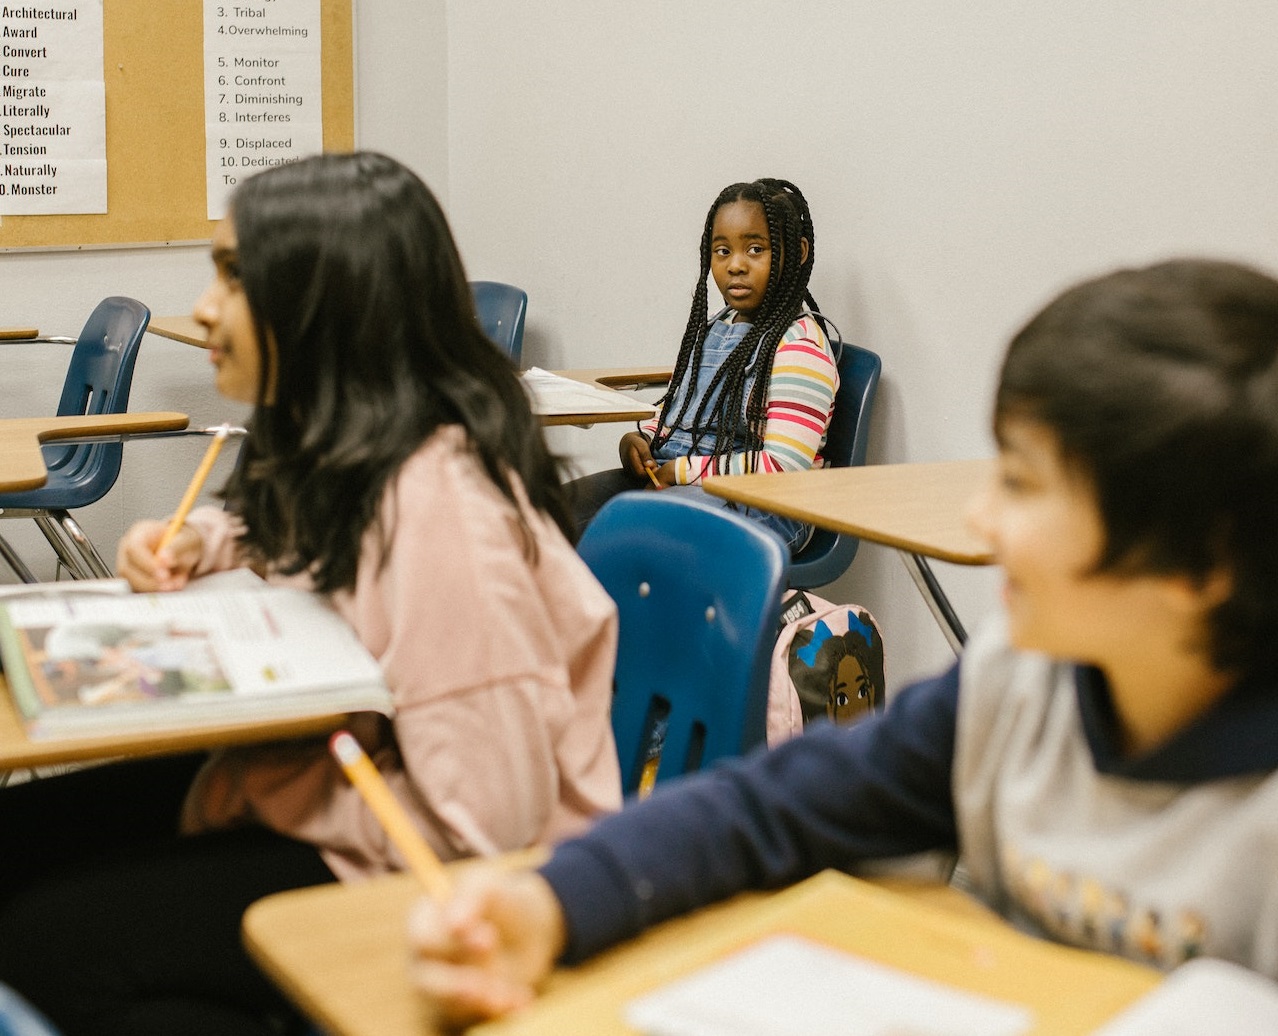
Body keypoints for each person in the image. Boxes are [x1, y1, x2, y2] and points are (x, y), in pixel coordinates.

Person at [407, 257, 1278, 1025]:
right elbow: (769, 808)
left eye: (1020, 483)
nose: (982, 518)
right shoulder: (1016, 685)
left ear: (1199, 566)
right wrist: (554, 903)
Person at [0, 152, 621, 1036]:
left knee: (50, 946)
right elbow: (278, 534)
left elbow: (486, 829)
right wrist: (195, 541)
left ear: (323, 301)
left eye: (233, 278)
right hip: (327, 782)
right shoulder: (349, 451)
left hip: (437, 881)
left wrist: (264, 791)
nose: (206, 309)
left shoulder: (442, 510)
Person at [568, 178, 839, 551]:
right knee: (549, 511)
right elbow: (681, 408)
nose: (736, 266)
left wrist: (681, 472)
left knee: (638, 533)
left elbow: (781, 468)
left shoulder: (800, 347)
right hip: (680, 481)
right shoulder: (714, 329)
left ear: (798, 251)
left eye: (756, 249)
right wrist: (643, 438)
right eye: (722, 251)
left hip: (767, 502)